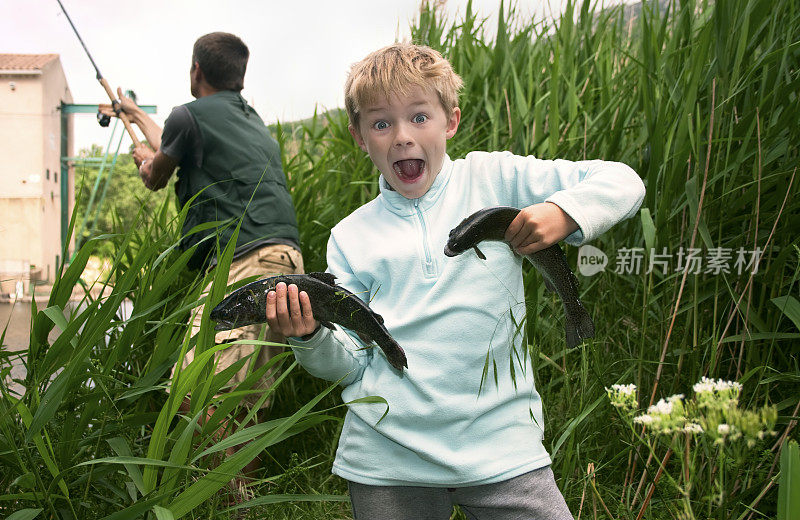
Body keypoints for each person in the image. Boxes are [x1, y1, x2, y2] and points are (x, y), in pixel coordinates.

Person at [265, 43, 645, 519]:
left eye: (419, 116)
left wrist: (562, 212)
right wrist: (309, 337)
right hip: (388, 459)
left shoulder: (495, 177)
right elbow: (351, 365)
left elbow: (623, 180)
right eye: (381, 123)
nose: (402, 137)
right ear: (359, 136)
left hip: (505, 451)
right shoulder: (349, 237)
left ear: (451, 121)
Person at [100, 32, 303, 496]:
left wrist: (145, 164)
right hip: (284, 257)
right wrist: (133, 115)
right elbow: (174, 137)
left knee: (198, 383)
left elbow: (156, 175)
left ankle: (213, 499)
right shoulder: (247, 120)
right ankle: (239, 503)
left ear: (196, 70)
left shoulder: (188, 117)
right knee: (243, 393)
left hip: (246, 258)